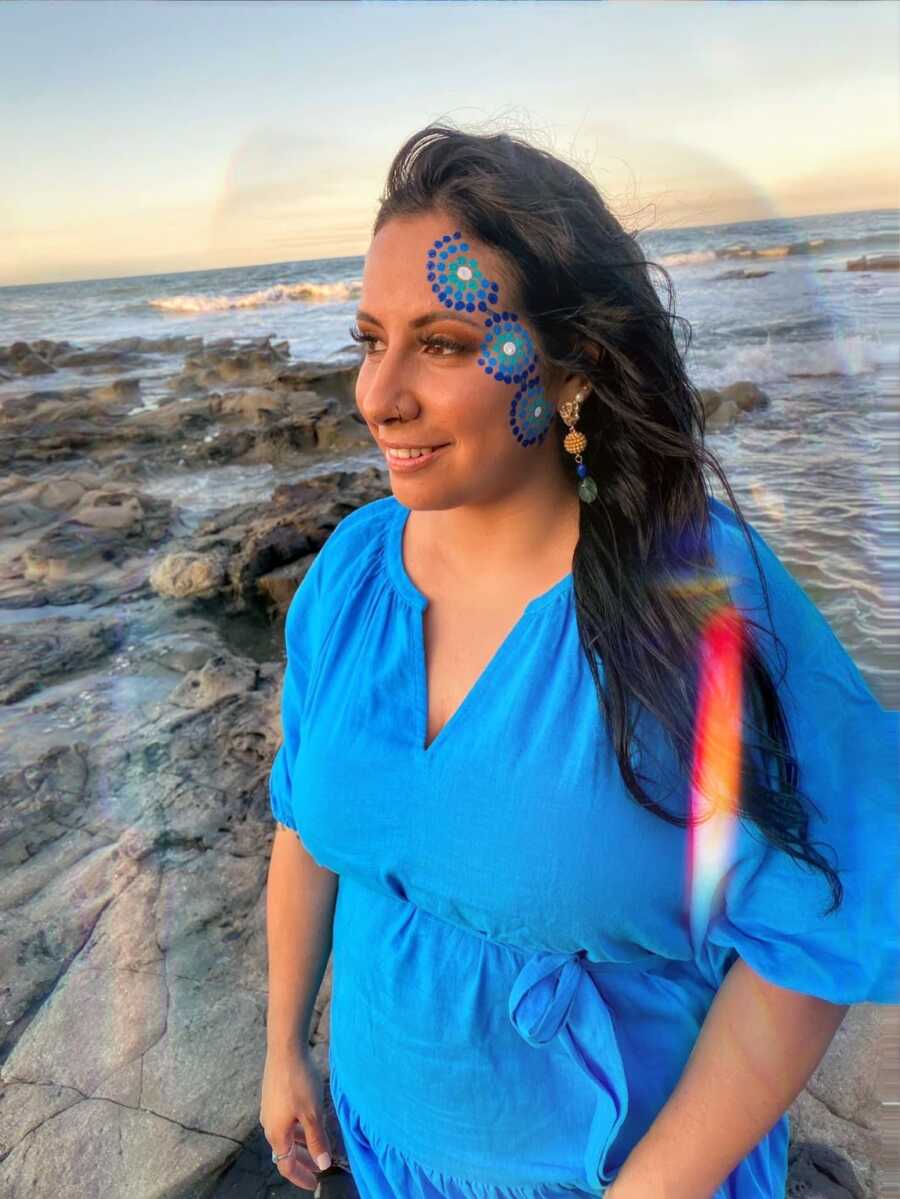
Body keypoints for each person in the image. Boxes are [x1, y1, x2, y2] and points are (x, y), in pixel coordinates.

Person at [259, 124, 899, 1199]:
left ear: (574, 367)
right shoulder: (350, 576)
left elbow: (808, 928)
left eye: (446, 343)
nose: (380, 395)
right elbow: (303, 823)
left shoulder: (695, 604)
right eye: (369, 340)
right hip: (381, 1152)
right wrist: (284, 1044)